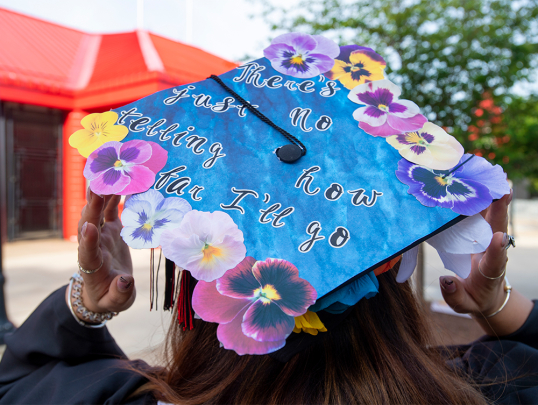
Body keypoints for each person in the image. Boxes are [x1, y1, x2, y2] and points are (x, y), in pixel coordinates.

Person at [0, 188, 537, 404]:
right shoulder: (492, 385)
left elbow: (18, 380)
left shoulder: (126, 401)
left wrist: (86, 303)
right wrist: (493, 304)